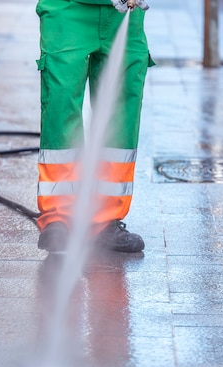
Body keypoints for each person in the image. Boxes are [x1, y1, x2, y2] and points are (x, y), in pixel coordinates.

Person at [35, 0, 155, 253]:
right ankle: (59, 216)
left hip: (123, 16)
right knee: (61, 106)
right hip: (68, 9)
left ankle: (104, 219)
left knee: (120, 113)